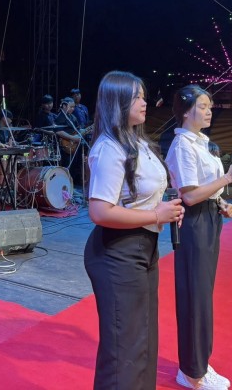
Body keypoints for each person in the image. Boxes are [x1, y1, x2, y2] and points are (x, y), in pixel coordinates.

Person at [84, 71, 184, 390]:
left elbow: (139, 196)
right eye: (137, 97)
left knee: (143, 338)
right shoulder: (110, 148)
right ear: (118, 102)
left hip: (144, 247)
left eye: (143, 96)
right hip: (117, 251)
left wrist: (164, 210)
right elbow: (100, 211)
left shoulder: (138, 142)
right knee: (124, 348)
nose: (144, 102)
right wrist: (155, 213)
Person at [165, 84, 232, 390]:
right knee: (195, 296)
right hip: (194, 223)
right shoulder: (182, 146)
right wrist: (228, 178)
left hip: (210, 218)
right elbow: (189, 195)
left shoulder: (202, 143)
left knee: (202, 294)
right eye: (202, 106)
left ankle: (199, 363)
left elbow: (206, 190)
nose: (209, 111)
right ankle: (191, 372)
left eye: (210, 106)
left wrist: (221, 202)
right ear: (186, 112)